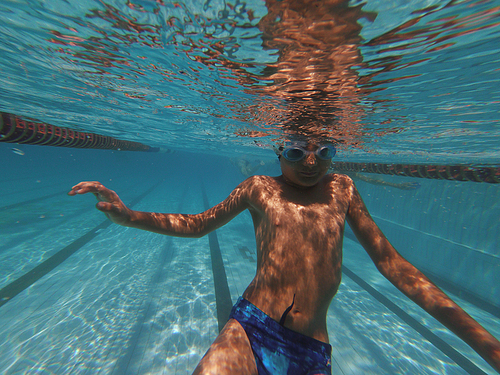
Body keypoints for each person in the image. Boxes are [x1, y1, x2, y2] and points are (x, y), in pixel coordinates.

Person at [68, 141, 500, 375]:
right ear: (277, 150)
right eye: (296, 151)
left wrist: (486, 343)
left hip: (311, 349)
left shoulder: (343, 190)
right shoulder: (259, 187)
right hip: (251, 326)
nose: (311, 163)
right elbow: (199, 224)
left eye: (324, 151)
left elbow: (393, 264)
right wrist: (129, 217)